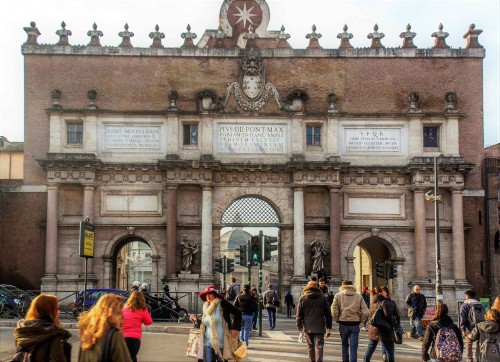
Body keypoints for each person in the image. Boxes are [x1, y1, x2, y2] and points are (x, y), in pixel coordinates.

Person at [189, 285, 242, 362]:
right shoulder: (206, 307)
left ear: (215, 294)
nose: (208, 295)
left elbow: (238, 312)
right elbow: (204, 322)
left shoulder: (223, 304)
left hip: (222, 342)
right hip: (208, 342)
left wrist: (235, 328)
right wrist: (196, 320)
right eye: (206, 294)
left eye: (210, 293)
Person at [13, 294, 71, 362]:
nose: (59, 312)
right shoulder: (53, 334)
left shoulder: (22, 330)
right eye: (57, 308)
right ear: (51, 311)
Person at [78, 293, 132, 362]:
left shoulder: (87, 333)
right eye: (120, 312)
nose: (122, 317)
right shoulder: (114, 335)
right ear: (113, 313)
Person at [331, 280, 370, 362]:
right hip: (355, 323)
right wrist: (361, 321)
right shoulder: (358, 296)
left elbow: (334, 310)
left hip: (343, 322)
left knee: (344, 345)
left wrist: (337, 319)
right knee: (354, 347)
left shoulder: (338, 295)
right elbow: (365, 311)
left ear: (342, 286)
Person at [296, 280, 332, 362]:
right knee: (319, 347)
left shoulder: (302, 298)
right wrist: (328, 327)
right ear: (316, 286)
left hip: (308, 327)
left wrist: (299, 327)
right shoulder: (322, 297)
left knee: (310, 347)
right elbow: (328, 314)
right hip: (319, 327)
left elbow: (299, 314)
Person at [364, 286, 400, 362]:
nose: (386, 293)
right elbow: (389, 316)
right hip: (384, 329)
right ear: (380, 293)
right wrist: (394, 325)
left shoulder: (372, 302)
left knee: (370, 347)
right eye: (385, 292)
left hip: (373, 328)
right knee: (390, 349)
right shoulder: (385, 302)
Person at [122, 291, 153, 362]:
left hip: (121, 338)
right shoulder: (142, 309)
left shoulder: (124, 308)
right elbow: (149, 322)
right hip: (134, 339)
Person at [460, 290, 486, 362]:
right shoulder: (480, 305)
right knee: (479, 343)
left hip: (469, 328)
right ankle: (479, 358)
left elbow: (463, 318)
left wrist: (463, 329)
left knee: (468, 343)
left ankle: (469, 359)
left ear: (467, 296)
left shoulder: (465, 305)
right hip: (481, 327)